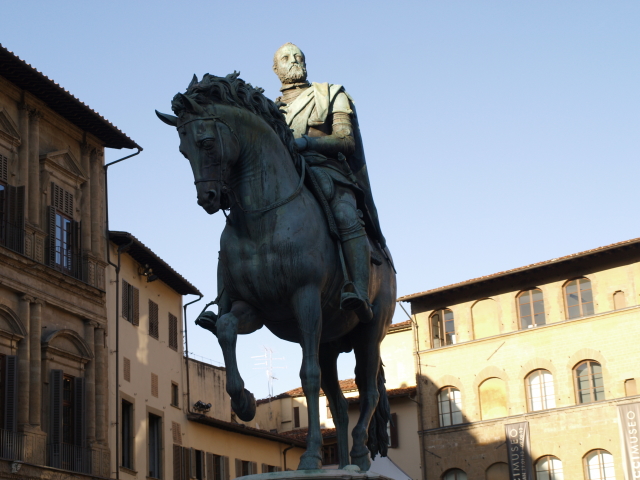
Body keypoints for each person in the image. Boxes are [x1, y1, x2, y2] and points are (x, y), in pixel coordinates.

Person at [272, 42, 387, 322]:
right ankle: (228, 300)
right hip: (284, 179)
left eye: (299, 57)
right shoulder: (268, 109)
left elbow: (346, 140)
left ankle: (360, 289)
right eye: (286, 58)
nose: (294, 61)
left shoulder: (332, 94)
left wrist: (306, 142)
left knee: (347, 215)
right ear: (276, 69)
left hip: (327, 173)